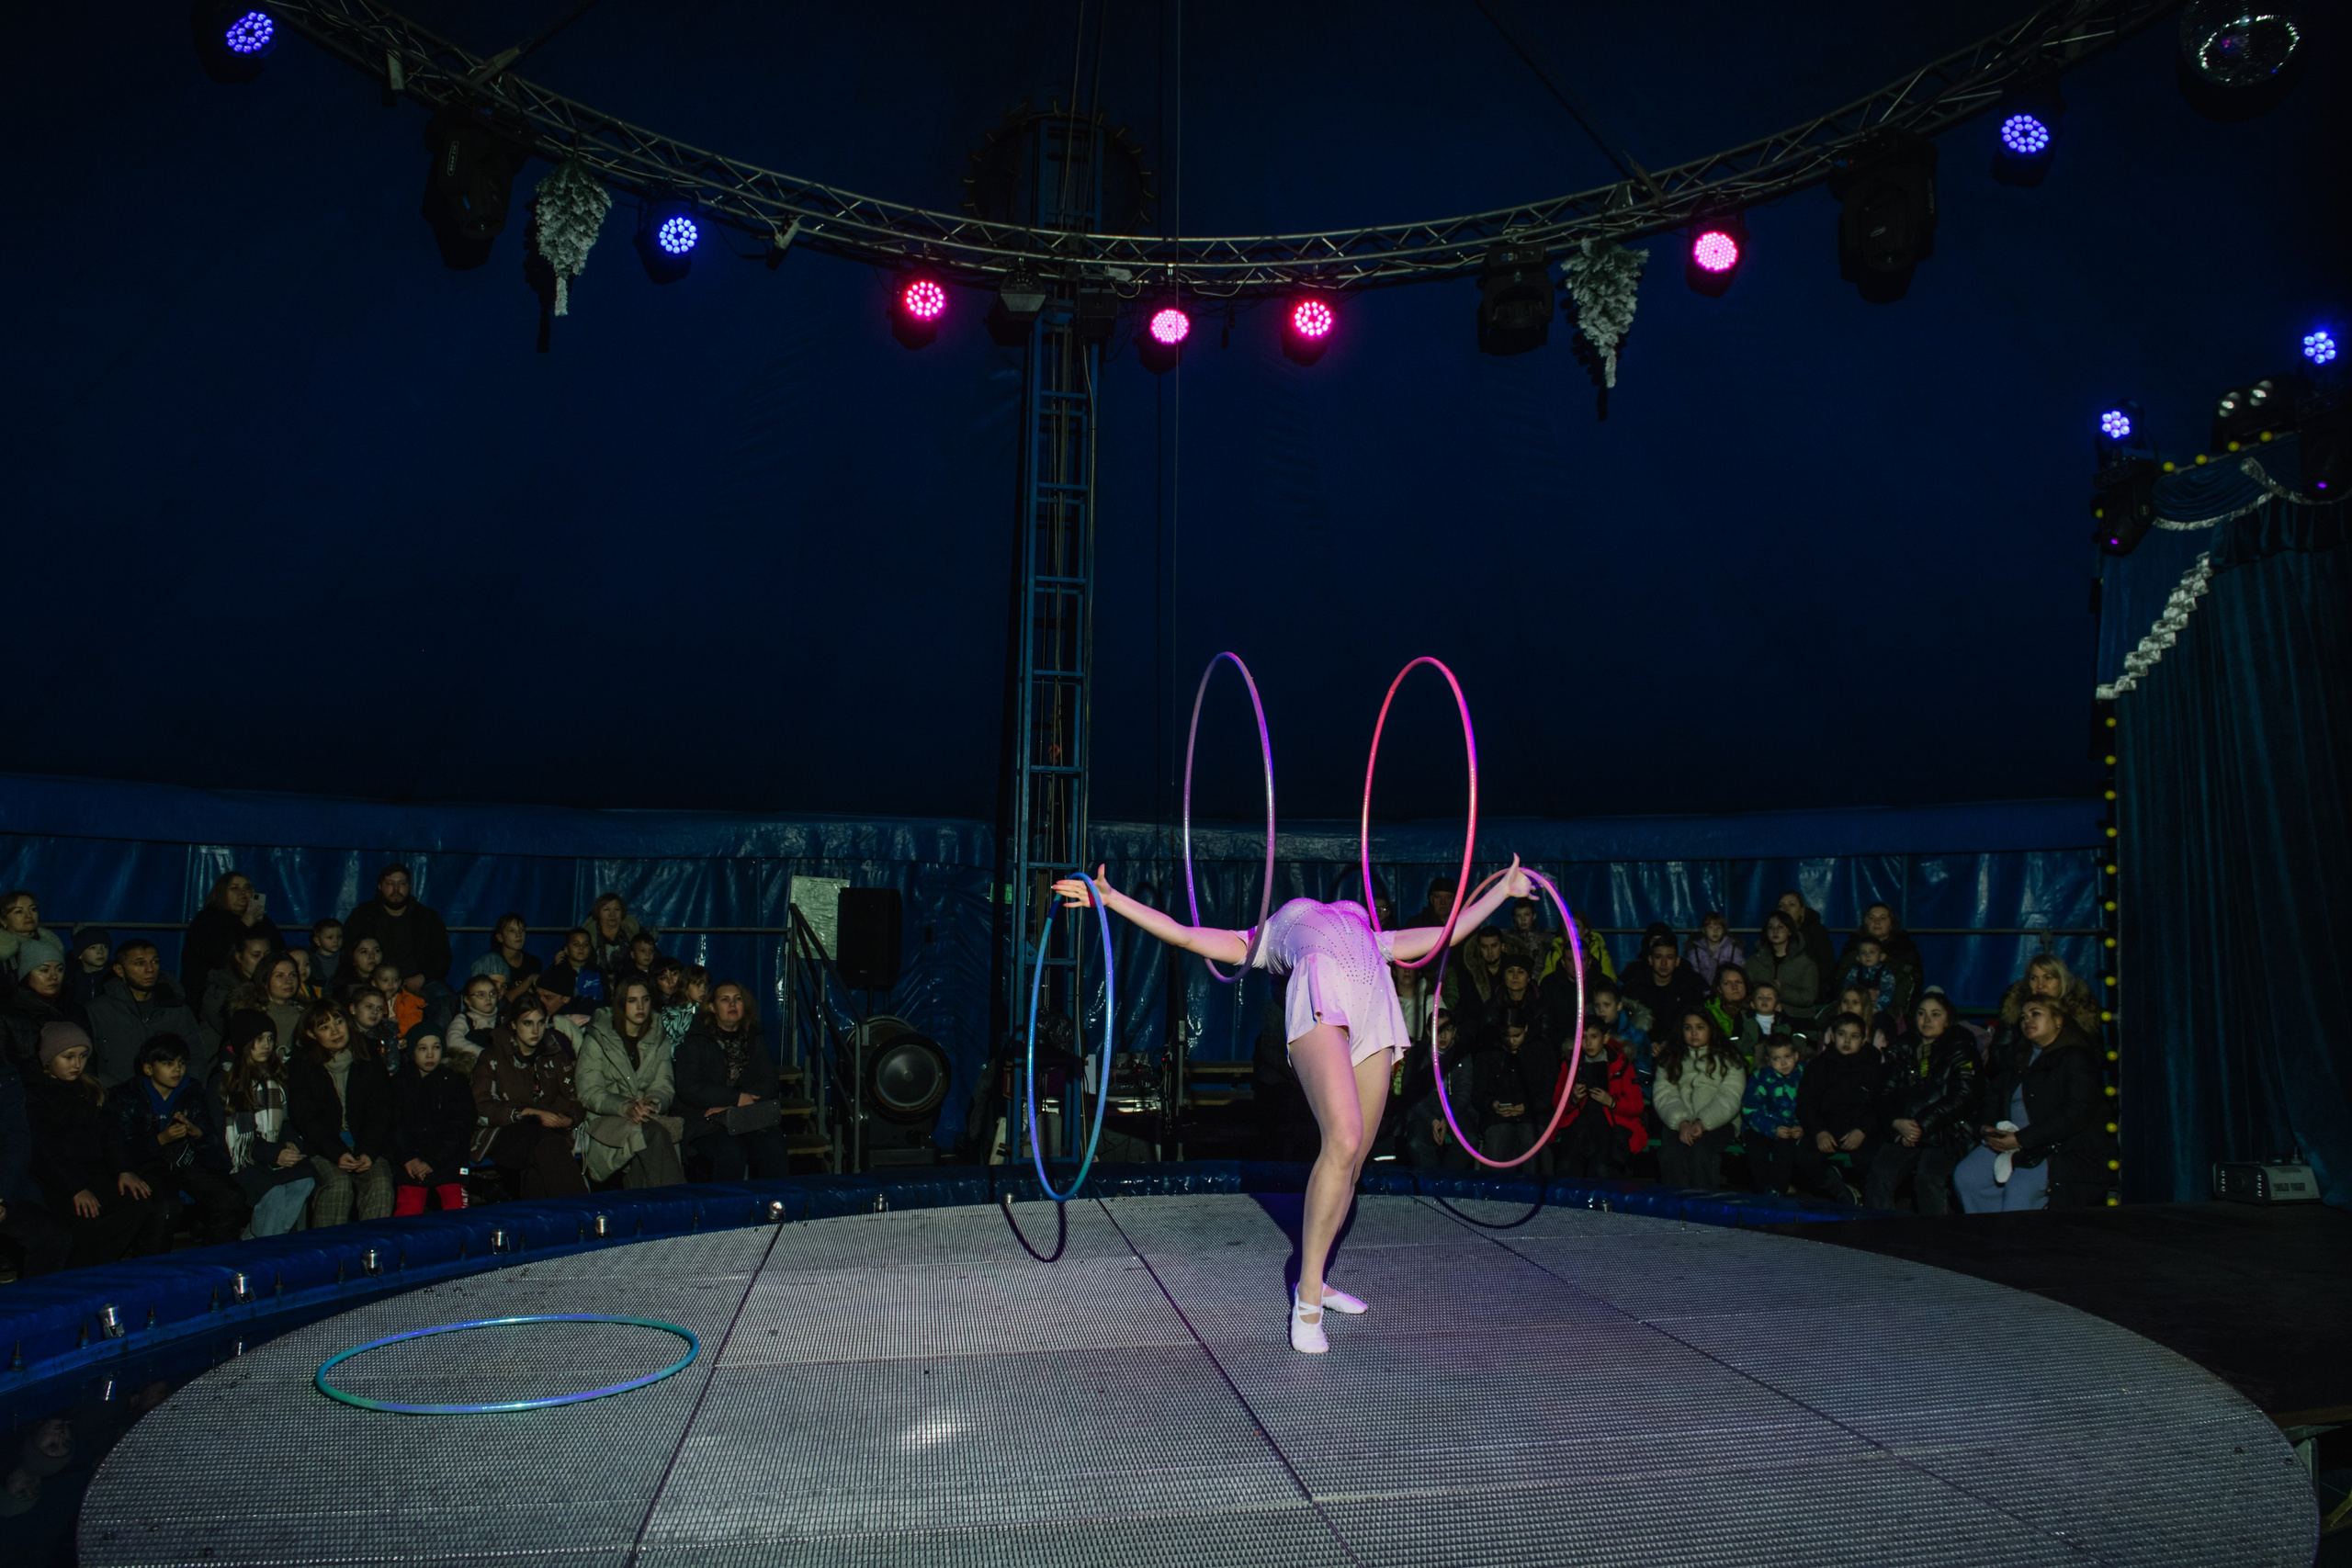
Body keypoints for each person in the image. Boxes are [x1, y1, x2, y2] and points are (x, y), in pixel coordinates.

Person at [1052, 856, 1532, 1354]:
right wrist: (1113, 901)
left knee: (1353, 1161)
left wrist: (1500, 893)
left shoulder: (1375, 934)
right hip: (1321, 1000)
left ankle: (1318, 1276)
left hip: (1375, 1004)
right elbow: (1184, 934)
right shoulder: (1263, 940)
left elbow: (1444, 933)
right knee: (1342, 1139)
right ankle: (1306, 1299)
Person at [23, 1022, 172, 1264]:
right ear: (49, 1059)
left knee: (144, 1198)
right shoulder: (35, 1094)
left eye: (82, 1056)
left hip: (98, 1172)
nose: (76, 1064)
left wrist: (124, 1169)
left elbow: (112, 1134)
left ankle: (135, 1270)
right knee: (86, 1218)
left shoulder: (90, 1088)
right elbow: (44, 1149)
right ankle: (82, 1273)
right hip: (60, 1182)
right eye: (68, 1057)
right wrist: (76, 1187)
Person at [1954, 997, 2114, 1213]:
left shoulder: (2077, 1058)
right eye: (2023, 1017)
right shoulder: (2019, 1057)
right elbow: (1993, 1098)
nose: (2027, 1020)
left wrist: (2022, 1139)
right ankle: (1991, 1235)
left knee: (2020, 1188)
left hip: (2053, 1147)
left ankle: (2019, 1241)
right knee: (1968, 1177)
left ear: (2058, 1021)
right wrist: (1984, 1128)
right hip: (2010, 1138)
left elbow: (2077, 1112)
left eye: (2035, 1014)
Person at [109, 1033, 250, 1244]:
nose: (177, 1069)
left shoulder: (190, 1091)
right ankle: (154, 1266)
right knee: (167, 1208)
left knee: (232, 1196)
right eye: (168, 1063)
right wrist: (161, 1139)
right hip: (150, 1167)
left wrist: (197, 1133)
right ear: (148, 1068)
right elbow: (123, 1148)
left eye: (181, 1063)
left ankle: (217, 1258)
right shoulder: (126, 1097)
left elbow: (210, 1138)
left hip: (186, 1162)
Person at [1866, 988, 1980, 1214]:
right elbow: (1883, 1093)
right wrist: (1896, 1123)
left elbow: (1963, 1096)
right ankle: (1878, 1236)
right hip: (1905, 1130)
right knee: (1879, 1175)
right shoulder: (1903, 1047)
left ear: (1948, 1019)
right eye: (1921, 1013)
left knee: (1928, 1179)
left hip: (1947, 1133)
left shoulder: (1961, 1048)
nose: (1927, 1020)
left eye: (1935, 1014)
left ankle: (1935, 1241)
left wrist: (1920, 1125)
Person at [209, 1010, 316, 1236]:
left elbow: (285, 1120)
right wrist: (273, 1153)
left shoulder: (273, 1075)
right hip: (239, 1158)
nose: (266, 1045)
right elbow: (235, 1135)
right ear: (244, 1042)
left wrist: (290, 1142)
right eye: (258, 1039)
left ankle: (255, 1240)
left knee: (305, 1179)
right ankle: (266, 1249)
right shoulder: (226, 1080)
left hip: (270, 1151)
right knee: (273, 1193)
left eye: (269, 1038)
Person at [287, 1001, 394, 1225]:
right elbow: (305, 1118)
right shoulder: (302, 1065)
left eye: (339, 1022)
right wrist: (336, 1152)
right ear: (311, 1033)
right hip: (324, 1147)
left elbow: (381, 1109)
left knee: (381, 1182)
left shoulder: (368, 1056)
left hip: (366, 1143)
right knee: (338, 1185)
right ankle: (328, 1255)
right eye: (324, 1027)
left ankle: (371, 1251)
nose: (335, 1031)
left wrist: (368, 1151)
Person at [469, 998, 588, 1200]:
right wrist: (528, 1113)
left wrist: (569, 1117)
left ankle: (543, 1225)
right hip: (502, 1133)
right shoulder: (493, 1057)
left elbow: (574, 1098)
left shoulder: (555, 1055)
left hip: (547, 1134)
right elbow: (480, 1107)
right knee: (545, 1144)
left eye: (540, 1023)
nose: (535, 1030)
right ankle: (582, 1213)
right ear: (514, 1024)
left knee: (538, 1165)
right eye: (527, 1023)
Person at [575, 977, 685, 1188]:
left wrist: (652, 1103)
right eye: (632, 1001)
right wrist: (626, 1106)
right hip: (608, 1117)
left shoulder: (659, 1035)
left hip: (646, 1115)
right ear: (621, 1004)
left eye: (645, 1000)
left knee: (654, 1133)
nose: (640, 1006)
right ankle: (674, 1202)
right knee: (652, 1134)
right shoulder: (599, 1037)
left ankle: (655, 1204)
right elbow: (589, 1092)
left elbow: (663, 1085)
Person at [674, 980, 788, 1179]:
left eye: (738, 999)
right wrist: (733, 1099)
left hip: (747, 1114)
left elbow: (769, 1081)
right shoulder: (697, 1040)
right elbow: (689, 1087)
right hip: (706, 1119)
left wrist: (740, 1105)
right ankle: (727, 1209)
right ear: (712, 1007)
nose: (733, 1005)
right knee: (730, 1151)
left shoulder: (754, 1036)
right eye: (725, 1000)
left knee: (772, 1145)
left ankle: (773, 1206)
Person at [85, 938, 215, 1089]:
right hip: (114, 1100)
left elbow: (196, 1057)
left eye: (155, 962)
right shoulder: (97, 1011)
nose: (150, 969)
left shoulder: (176, 1010)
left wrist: (180, 1092)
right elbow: (87, 1062)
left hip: (168, 1101)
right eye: (140, 963)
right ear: (119, 970)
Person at [1792, 1012, 1888, 1202]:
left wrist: (1863, 1131)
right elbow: (1806, 1104)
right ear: (1833, 1036)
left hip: (1860, 1130)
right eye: (1842, 1034)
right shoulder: (1818, 1066)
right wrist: (1819, 1131)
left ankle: (1869, 1204)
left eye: (1854, 1036)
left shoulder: (1873, 1067)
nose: (1847, 1041)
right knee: (1803, 1157)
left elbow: (1881, 1105)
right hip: (1827, 1128)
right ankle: (1838, 1187)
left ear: (1863, 1039)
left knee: (1870, 1161)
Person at [1649, 1008, 1746, 1189]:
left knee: (1700, 1151)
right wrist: (1681, 1121)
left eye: (1700, 1027)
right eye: (1688, 1028)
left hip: (1719, 1122)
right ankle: (1674, 1205)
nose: (1694, 1033)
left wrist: (1704, 1121)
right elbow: (1665, 1093)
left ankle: (1703, 1204)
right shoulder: (1670, 1058)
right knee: (1671, 1152)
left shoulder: (1729, 1059)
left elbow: (1730, 1096)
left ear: (1710, 1029)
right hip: (1678, 1121)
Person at [0, 1044, 72, 1277]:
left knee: (51, 1237)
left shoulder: (5, 1074)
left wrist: (4, 1196)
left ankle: (36, 1308)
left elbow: (15, 1140)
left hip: (5, 1188)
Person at [390, 1031, 473, 1214]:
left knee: (456, 1208)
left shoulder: (455, 1081)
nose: (430, 1054)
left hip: (447, 1161)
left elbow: (460, 1126)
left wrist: (432, 1160)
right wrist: (409, 1158)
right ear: (412, 1051)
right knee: (409, 1208)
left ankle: (460, 1244)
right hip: (412, 1164)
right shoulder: (401, 1082)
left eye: (436, 1047)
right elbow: (395, 1125)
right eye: (422, 1048)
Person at [340, 864, 453, 998]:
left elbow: (443, 957)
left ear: (410, 887)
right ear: (380, 886)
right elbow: (347, 953)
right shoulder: (363, 916)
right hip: (372, 982)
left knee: (443, 996)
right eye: (390, 884)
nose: (396, 889)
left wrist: (422, 978)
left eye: (402, 884)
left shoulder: (427, 918)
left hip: (417, 982)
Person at [1552, 1015, 1645, 1178]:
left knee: (1602, 1167)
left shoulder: (1620, 1063)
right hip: (1579, 1123)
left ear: (1605, 1038)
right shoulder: (1570, 1063)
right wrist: (1573, 1100)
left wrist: (1612, 1102)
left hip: (1612, 1123)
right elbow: (1557, 1102)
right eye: (1583, 1037)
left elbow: (1637, 1104)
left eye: (1594, 1037)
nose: (1588, 1043)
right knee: (1567, 1165)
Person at [1741, 1037, 1825, 1197]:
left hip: (1791, 1129)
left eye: (1787, 1057)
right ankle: (1762, 1191)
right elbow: (1749, 1109)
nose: (1783, 1063)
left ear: (1796, 1056)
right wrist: (1772, 1128)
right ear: (1769, 1060)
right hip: (1762, 1127)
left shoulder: (1805, 1075)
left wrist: (1803, 1128)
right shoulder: (1761, 1077)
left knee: (1785, 1150)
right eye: (1776, 1059)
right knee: (1756, 1150)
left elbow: (1814, 1106)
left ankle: (1778, 1191)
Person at [1471, 1010, 1553, 1171]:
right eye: (1506, 1036)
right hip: (1497, 1117)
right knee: (1496, 1144)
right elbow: (1478, 1093)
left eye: (1517, 1036)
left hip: (1531, 1116)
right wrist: (1492, 1104)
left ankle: (1535, 1193)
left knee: (1532, 1143)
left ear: (1526, 1029)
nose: (1511, 1041)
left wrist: (1526, 1107)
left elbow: (1549, 1094)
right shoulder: (1488, 1052)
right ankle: (1495, 1194)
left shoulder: (1540, 1051)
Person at [2, 940, 91, 1080]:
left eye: (60, 969)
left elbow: (90, 1062)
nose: (54, 976)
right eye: (44, 970)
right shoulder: (7, 1015)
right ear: (26, 974)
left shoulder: (75, 1012)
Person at [1398, 1017, 1477, 1171]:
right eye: (1438, 1030)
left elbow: (1464, 1092)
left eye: (1447, 1030)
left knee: (1470, 1140)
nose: (1442, 1036)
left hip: (1455, 1109)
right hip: (1423, 1109)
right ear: (1429, 1031)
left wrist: (1448, 1118)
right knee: (1416, 1143)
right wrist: (1432, 1120)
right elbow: (1412, 1093)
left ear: (1454, 1032)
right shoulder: (1417, 1056)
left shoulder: (1463, 1056)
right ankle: (1434, 1181)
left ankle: (1447, 1179)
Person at [1989, 954, 2101, 1062]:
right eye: (2034, 978)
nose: (2040, 985)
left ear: (2062, 981)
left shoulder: (2081, 1010)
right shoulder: (2018, 1009)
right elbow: (1998, 1055)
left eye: (2048, 977)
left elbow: (2095, 1056)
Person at [1619, 934, 1707, 1036]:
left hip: (1680, 1046)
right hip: (1642, 1047)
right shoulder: (1635, 989)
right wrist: (1648, 1044)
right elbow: (1626, 1027)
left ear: (1677, 961)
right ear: (1651, 960)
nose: (1664, 963)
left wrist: (1670, 1043)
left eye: (1669, 957)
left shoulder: (1689, 989)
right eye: (1658, 957)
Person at [1746, 910, 1822, 1023]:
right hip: (1760, 1019)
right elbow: (1746, 989)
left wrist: (1782, 990)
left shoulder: (1805, 962)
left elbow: (1809, 997)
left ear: (1790, 931)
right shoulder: (1754, 961)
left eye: (1781, 927)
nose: (1775, 931)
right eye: (1771, 927)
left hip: (1796, 1018)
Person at [230, 951, 308, 1059]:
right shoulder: (249, 1016)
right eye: (279, 976)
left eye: (293, 975)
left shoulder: (306, 1014)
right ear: (264, 980)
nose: (289, 981)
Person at [198, 931, 275, 1039]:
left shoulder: (270, 983)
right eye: (255, 955)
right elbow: (235, 1031)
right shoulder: (219, 990)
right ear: (239, 957)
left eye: (267, 955)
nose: (263, 960)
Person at [1835, 936, 1917, 1028]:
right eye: (1863, 953)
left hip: (1878, 1009)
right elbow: (1849, 988)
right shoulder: (1854, 971)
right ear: (1858, 958)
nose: (1867, 956)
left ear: (1881, 956)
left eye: (1872, 952)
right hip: (1856, 1008)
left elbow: (1886, 993)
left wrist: (1876, 1008)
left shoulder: (1886, 973)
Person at [469, 912, 544, 1001]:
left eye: (522, 930)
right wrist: (528, 981)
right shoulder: (491, 964)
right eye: (512, 930)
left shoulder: (534, 963)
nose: (519, 934)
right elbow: (497, 1000)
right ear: (500, 937)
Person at [581, 894, 648, 988]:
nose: (612, 914)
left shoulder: (634, 930)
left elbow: (653, 954)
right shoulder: (586, 934)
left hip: (630, 985)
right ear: (598, 913)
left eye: (617, 910)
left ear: (622, 912)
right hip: (594, 986)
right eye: (606, 910)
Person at [0, 890, 67, 982]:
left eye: (33, 909)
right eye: (19, 911)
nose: (28, 915)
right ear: (3, 920)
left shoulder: (52, 946)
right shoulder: (3, 954)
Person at [1844, 902, 1925, 977]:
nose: (1876, 922)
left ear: (1891, 923)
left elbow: (1914, 976)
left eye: (1882, 918)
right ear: (1866, 922)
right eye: (1872, 918)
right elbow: (1841, 975)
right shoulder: (1853, 946)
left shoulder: (1905, 947)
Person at [1775, 890, 1839, 983]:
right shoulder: (1772, 933)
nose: (1785, 909)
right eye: (1781, 905)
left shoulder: (1816, 931)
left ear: (1802, 911)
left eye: (1791, 904)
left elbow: (1826, 966)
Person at [441, 974, 503, 1071]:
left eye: (492, 993)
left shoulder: (503, 1019)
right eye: (481, 995)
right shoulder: (464, 1019)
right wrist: (483, 1054)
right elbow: (452, 1041)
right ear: (468, 1000)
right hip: (470, 1068)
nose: (488, 998)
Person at [539, 928, 607, 1010]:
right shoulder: (557, 971)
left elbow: (606, 999)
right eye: (576, 944)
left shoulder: (598, 971)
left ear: (590, 949)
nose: (581, 948)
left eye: (585, 944)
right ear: (566, 949)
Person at [1684, 911, 1744, 987]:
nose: (1715, 931)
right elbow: (1692, 975)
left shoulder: (1733, 949)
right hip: (1702, 991)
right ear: (1704, 930)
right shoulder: (1695, 950)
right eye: (1710, 927)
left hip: (1726, 992)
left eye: (1719, 928)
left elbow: (1738, 972)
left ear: (1723, 930)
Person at [66, 925, 114, 1010]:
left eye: (105, 947)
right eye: (93, 948)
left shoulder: (116, 978)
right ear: (80, 954)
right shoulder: (69, 978)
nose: (100, 952)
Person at [307, 917, 345, 991]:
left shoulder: (347, 958)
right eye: (330, 937)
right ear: (317, 941)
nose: (336, 941)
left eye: (339, 937)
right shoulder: (309, 960)